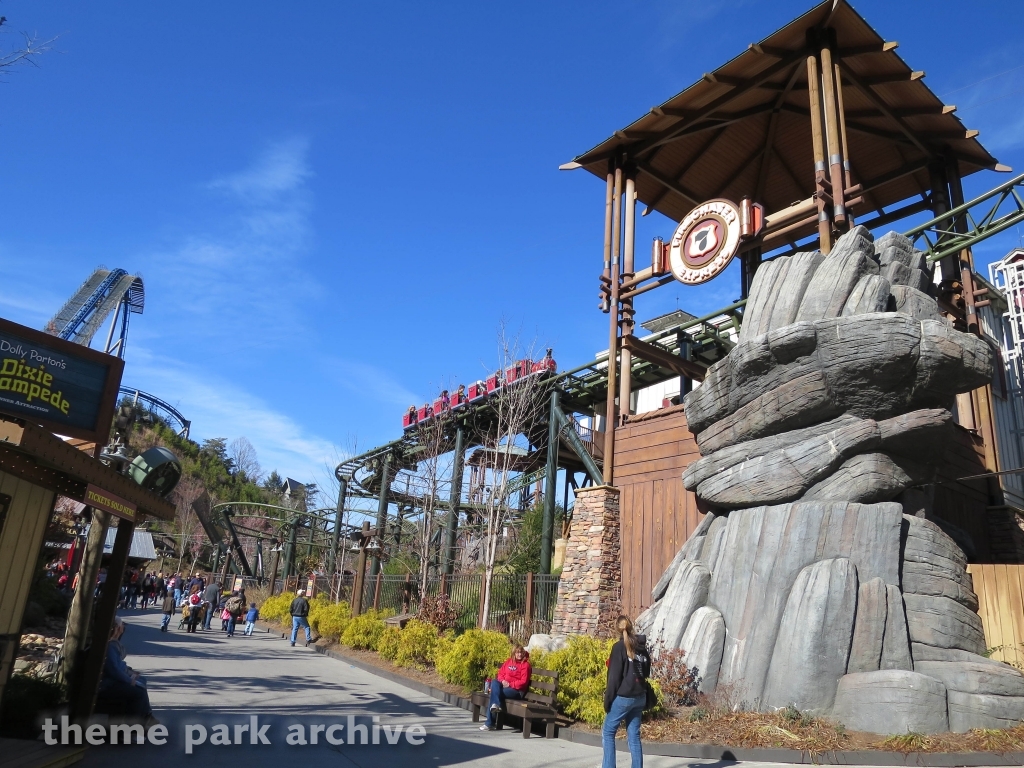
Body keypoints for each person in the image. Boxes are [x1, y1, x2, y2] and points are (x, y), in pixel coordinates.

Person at [601, 616, 651, 768]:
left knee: (608, 732)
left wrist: (608, 700)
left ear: (617, 629)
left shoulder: (618, 648)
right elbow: (647, 672)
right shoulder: (641, 647)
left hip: (624, 697)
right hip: (640, 697)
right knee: (634, 736)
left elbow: (614, 678)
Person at [95, 618, 154, 722]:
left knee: (142, 682)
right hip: (106, 685)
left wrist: (130, 672)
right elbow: (113, 669)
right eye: (122, 626)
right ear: (117, 628)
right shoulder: (110, 646)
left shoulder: (112, 644)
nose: (124, 628)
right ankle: (135, 726)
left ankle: (146, 716)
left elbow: (118, 665)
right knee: (138, 691)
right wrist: (129, 679)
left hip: (108, 682)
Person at [480, 645, 531, 731]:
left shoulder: (525, 665)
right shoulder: (508, 662)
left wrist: (510, 684)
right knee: (494, 682)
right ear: (514, 653)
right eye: (517, 652)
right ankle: (495, 706)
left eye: (521, 652)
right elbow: (500, 673)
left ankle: (490, 723)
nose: (519, 655)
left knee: (495, 693)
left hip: (517, 691)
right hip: (505, 686)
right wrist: (502, 681)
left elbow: (523, 682)